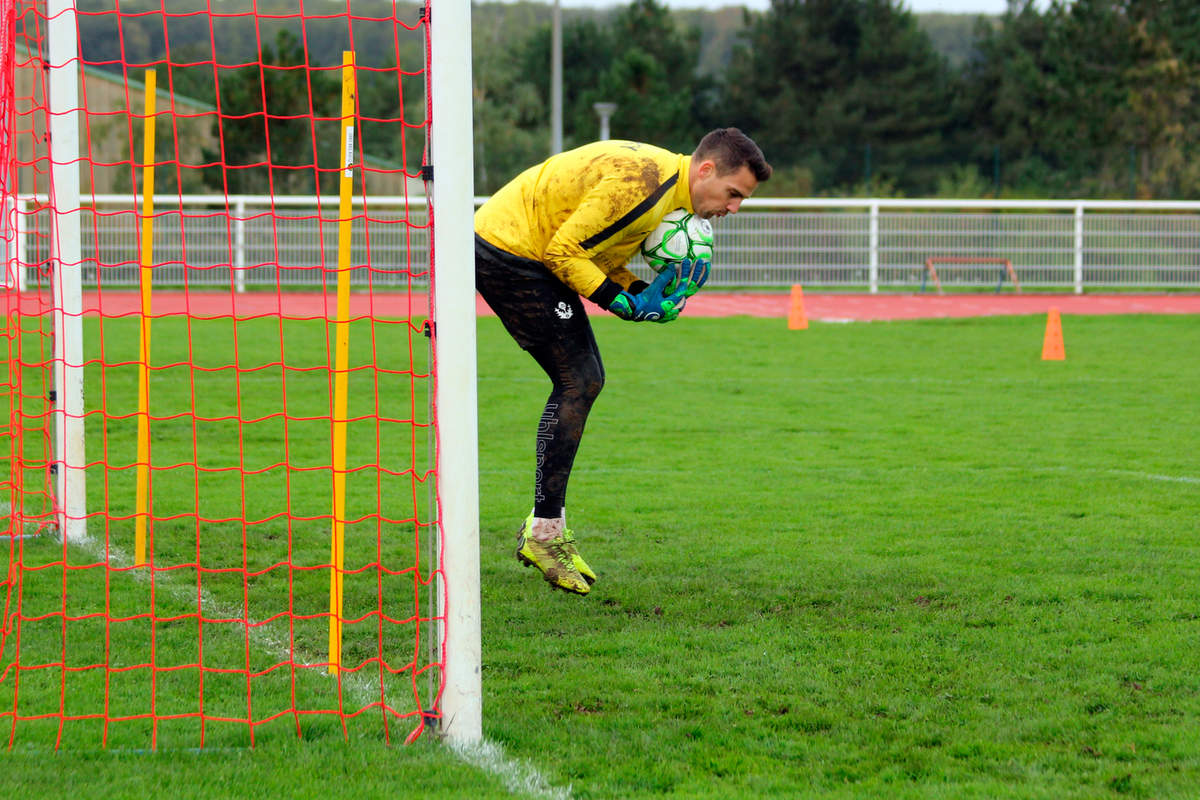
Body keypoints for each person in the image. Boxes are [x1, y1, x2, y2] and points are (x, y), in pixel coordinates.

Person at [474, 127, 772, 595]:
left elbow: (599, 254)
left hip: (526, 249)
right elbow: (564, 252)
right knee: (580, 380)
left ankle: (546, 527)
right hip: (510, 252)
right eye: (733, 194)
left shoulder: (662, 190)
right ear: (706, 169)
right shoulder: (643, 186)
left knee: (585, 380)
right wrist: (622, 302)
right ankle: (544, 534)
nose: (733, 209)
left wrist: (640, 292)